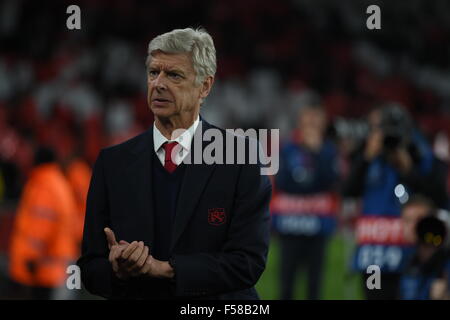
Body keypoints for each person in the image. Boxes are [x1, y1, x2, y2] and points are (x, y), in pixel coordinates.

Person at [77, 28, 272, 299]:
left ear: (205, 86)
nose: (158, 83)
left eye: (174, 75)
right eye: (153, 72)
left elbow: (247, 263)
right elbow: (89, 268)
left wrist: (168, 270)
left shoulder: (242, 157)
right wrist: (117, 270)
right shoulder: (112, 163)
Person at [344, 104, 449, 300]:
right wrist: (366, 158)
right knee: (373, 296)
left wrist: (408, 169)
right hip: (373, 257)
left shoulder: (420, 154)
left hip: (408, 255)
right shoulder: (368, 154)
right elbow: (348, 191)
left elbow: (439, 197)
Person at [271, 101, 340, 300]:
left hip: (318, 224)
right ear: (300, 120)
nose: (311, 122)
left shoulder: (328, 150)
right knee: (286, 283)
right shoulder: (287, 148)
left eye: (315, 117)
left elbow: (331, 181)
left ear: (323, 122)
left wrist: (317, 152)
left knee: (314, 284)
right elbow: (283, 182)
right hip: (290, 224)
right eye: (307, 116)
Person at [8, 146, 79, 299]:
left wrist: (29, 258)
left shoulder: (43, 185)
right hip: (65, 265)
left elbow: (42, 226)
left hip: (49, 270)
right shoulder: (59, 182)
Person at [399, 216, 449, 300]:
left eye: (436, 241)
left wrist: (444, 297)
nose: (428, 249)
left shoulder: (446, 266)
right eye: (424, 242)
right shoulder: (409, 263)